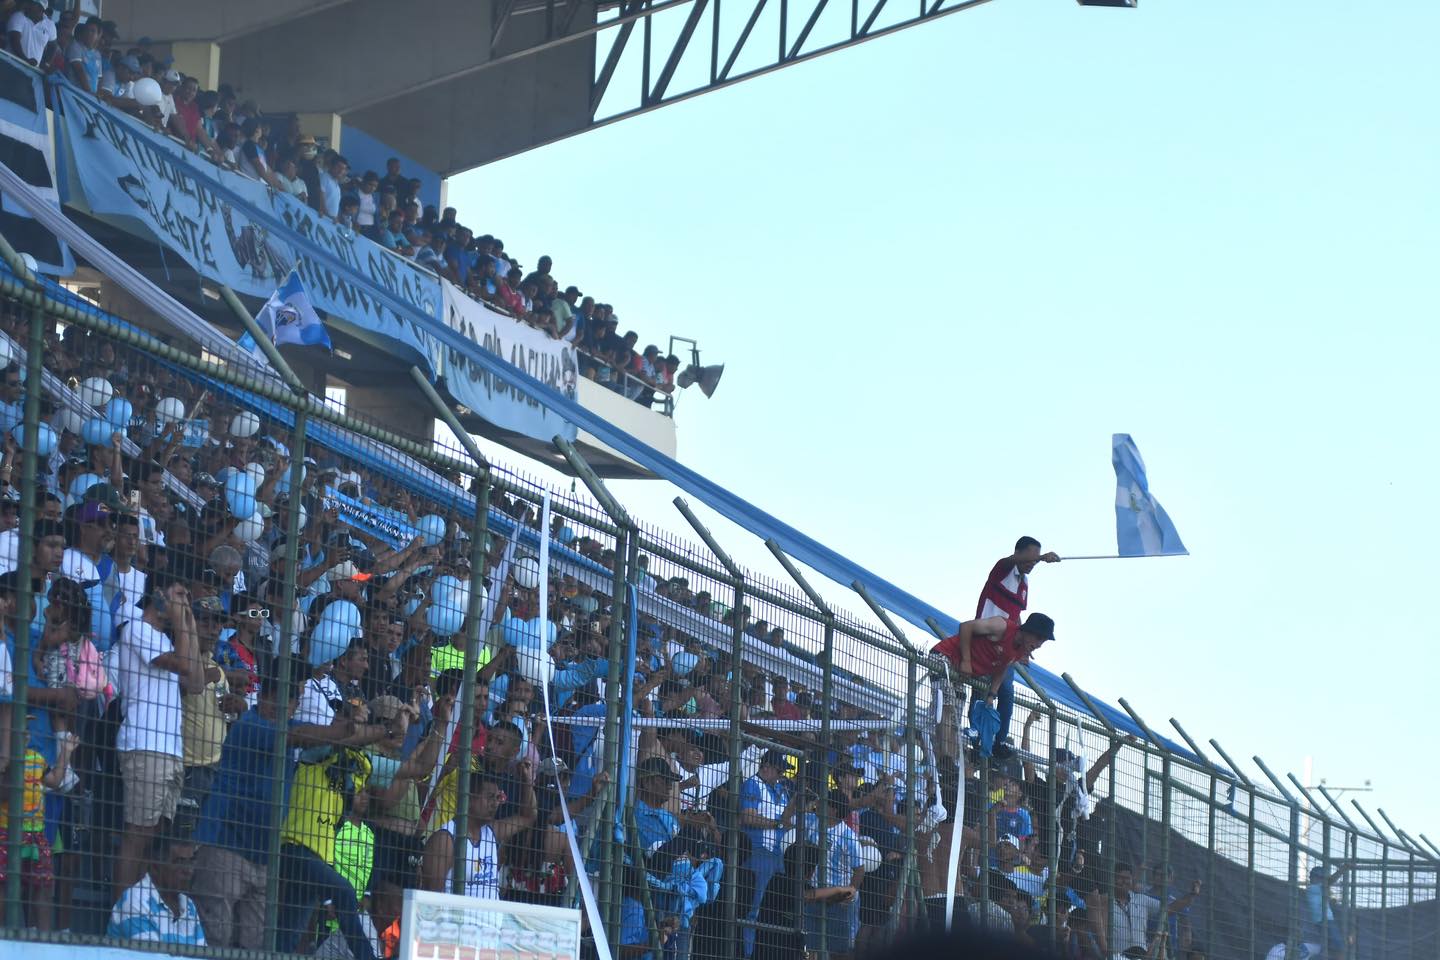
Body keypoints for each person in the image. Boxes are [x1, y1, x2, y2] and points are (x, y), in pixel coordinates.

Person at [190, 659, 297, 949]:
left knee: (253, 945)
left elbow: (327, 737)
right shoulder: (250, 725)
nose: (279, 707)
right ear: (262, 697)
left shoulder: (291, 729)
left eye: (288, 701)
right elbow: (307, 736)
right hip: (225, 847)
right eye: (274, 698)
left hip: (262, 856)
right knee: (215, 938)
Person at [113, 575, 207, 899]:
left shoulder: (168, 640)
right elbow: (183, 665)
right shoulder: (136, 629)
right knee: (137, 834)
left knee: (155, 837)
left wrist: (190, 623)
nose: (183, 601)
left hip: (170, 749)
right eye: (178, 593)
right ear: (157, 594)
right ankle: (120, 914)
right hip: (144, 743)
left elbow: (195, 682)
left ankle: (138, 907)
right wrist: (180, 620)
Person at [974, 537, 1059, 756]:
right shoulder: (1003, 569)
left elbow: (1017, 615)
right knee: (982, 685)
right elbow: (1011, 560)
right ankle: (975, 732)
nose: (1034, 563)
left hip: (1009, 642)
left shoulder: (1024, 583)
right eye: (1031, 556)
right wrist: (1043, 557)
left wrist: (1025, 649)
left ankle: (999, 740)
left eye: (1036, 558)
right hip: (985, 637)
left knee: (1007, 690)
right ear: (1018, 553)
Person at [929, 612, 1056, 751]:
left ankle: (948, 765)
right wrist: (966, 660)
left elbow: (1002, 668)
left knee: (955, 715)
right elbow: (966, 627)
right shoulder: (1002, 626)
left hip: (960, 672)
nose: (1039, 645)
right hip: (944, 656)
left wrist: (992, 695)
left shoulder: (1020, 651)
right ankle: (945, 758)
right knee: (947, 705)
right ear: (1029, 630)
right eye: (1038, 638)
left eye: (1043, 641)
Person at [419, 765, 535, 898]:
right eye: (490, 797)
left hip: (492, 918)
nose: (495, 803)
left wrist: (528, 782)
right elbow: (431, 899)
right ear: (468, 799)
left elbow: (528, 817)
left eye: (497, 798)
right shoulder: (445, 840)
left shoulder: (492, 831)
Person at [739, 749, 801, 955]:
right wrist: (777, 823)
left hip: (777, 857)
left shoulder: (781, 790)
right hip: (758, 854)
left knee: (774, 911)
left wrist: (796, 805)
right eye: (780, 770)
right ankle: (747, 953)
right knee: (752, 910)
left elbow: (786, 822)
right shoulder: (752, 784)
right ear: (766, 768)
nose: (783, 775)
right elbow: (748, 817)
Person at [108, 833, 206, 946]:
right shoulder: (135, 900)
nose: (189, 871)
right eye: (180, 862)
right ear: (155, 867)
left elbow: (202, 954)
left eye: (191, 861)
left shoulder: (188, 905)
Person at [1110, 862, 1200, 958]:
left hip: (1149, 953)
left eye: (1127, 878)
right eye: (1120, 878)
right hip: (1117, 956)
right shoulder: (1106, 902)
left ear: (1171, 878)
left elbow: (1169, 909)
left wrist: (1192, 895)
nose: (1160, 878)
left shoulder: (1142, 899)